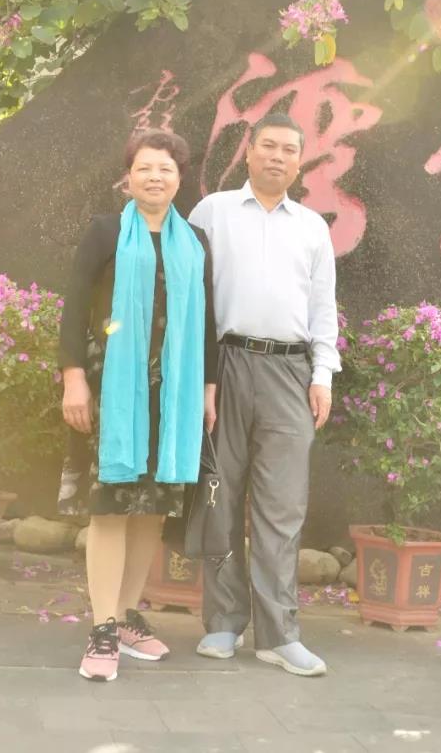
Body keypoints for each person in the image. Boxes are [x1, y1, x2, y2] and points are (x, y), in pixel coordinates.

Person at [58, 128, 218, 683]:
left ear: (180, 178)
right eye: (145, 167)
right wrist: (73, 379)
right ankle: (102, 626)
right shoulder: (105, 232)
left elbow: (207, 320)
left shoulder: (195, 241)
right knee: (110, 505)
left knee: (152, 505)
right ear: (128, 176)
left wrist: (208, 389)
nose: (155, 177)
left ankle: (126, 616)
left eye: (166, 169)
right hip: (112, 388)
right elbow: (74, 307)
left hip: (172, 393)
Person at [189, 112, 339, 678]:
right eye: (268, 146)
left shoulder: (312, 228)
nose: (277, 156)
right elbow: (190, 295)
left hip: (290, 372)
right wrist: (198, 377)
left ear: (300, 161)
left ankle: (279, 635)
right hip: (222, 366)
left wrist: (322, 375)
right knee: (220, 497)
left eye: (289, 149)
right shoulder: (212, 212)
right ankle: (224, 622)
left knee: (283, 506)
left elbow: (323, 307)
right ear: (248, 151)